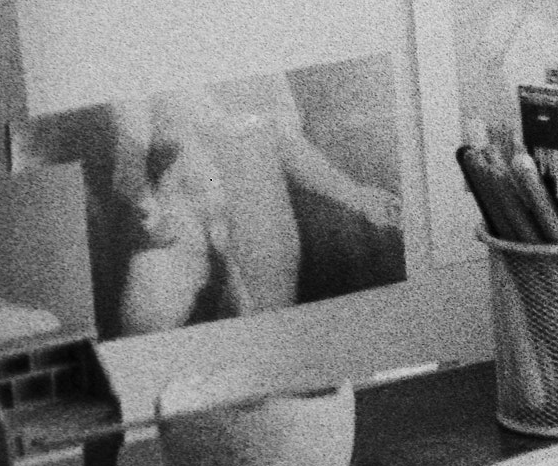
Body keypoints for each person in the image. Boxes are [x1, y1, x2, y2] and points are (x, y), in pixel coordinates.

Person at [105, 72, 400, 333]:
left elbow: (288, 145)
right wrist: (155, 219)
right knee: (152, 314)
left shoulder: (263, 68)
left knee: (267, 337)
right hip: (182, 216)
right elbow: (129, 171)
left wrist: (357, 196)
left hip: (260, 214)